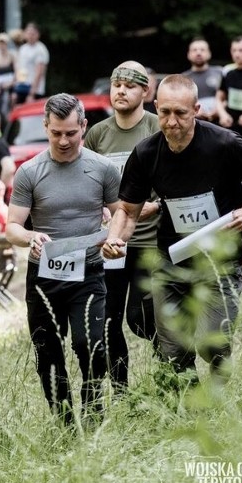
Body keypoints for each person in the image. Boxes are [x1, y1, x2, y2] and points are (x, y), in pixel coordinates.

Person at [103, 74, 242, 384]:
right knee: (172, 352)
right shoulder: (145, 153)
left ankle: (217, 377)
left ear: (196, 109)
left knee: (212, 344)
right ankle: (192, 406)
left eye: (181, 113)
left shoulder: (224, 143)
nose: (172, 121)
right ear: (156, 107)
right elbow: (128, 211)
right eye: (165, 112)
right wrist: (116, 238)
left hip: (220, 259)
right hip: (172, 260)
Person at [6, 93, 121, 423]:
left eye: (71, 132)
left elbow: (121, 216)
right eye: (56, 132)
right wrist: (31, 237)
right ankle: (65, 420)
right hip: (45, 273)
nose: (64, 140)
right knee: (47, 352)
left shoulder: (102, 169)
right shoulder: (30, 171)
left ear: (84, 126)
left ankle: (93, 408)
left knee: (91, 344)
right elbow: (12, 227)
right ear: (46, 127)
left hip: (88, 271)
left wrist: (113, 237)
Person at [83, 61, 162, 390]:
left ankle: (170, 373)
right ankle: (121, 391)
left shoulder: (158, 127)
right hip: (111, 243)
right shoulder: (97, 134)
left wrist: (152, 207)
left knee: (144, 319)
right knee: (108, 321)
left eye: (130, 85)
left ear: (146, 91)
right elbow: (85, 183)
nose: (121, 91)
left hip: (151, 241)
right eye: (117, 84)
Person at [182, 38, 222, 122]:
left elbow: (228, 97)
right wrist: (193, 110)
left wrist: (220, 109)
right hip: (193, 125)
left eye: (202, 50)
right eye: (194, 50)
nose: (198, 53)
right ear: (188, 54)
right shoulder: (182, 78)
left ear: (209, 54)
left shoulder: (220, 73)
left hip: (220, 124)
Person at [17, 22, 50, 104]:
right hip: (21, 87)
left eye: (33, 34)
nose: (30, 36)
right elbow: (20, 69)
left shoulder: (40, 49)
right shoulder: (23, 48)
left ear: (38, 34)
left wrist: (32, 93)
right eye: (28, 33)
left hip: (34, 90)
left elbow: (39, 72)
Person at [0, 32, 17, 115]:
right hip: (0, 88)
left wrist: (12, 83)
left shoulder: (12, 56)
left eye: (4, 43)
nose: (2, 45)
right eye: (0, 43)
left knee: (12, 106)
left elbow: (17, 72)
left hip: (11, 87)